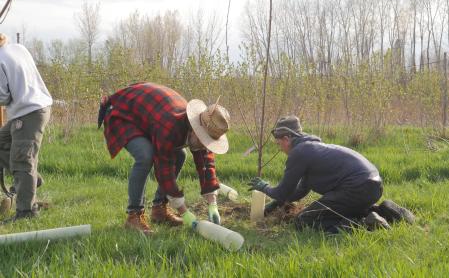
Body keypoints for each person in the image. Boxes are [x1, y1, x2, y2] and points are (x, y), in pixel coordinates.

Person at [99, 82, 230, 235]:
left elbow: (206, 163)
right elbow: (163, 170)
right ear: (195, 130)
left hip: (148, 116)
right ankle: (133, 216)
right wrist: (184, 212)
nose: (204, 144)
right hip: (123, 114)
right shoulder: (169, 125)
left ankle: (159, 210)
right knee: (145, 156)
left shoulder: (203, 125)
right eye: (203, 139)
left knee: (180, 154)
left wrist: (212, 204)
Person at [248, 116, 414, 234]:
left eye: (278, 144)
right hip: (372, 186)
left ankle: (363, 225)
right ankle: (382, 211)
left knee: (303, 221)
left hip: (356, 188)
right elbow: (301, 190)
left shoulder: (299, 152)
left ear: (286, 138)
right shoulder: (311, 148)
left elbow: (283, 191)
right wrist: (274, 205)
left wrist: (265, 188)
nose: (279, 148)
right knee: (335, 210)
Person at [0, 33, 52, 222]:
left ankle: (26, 212)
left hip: (27, 113)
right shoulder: (17, 49)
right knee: (2, 143)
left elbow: (3, 97)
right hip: (39, 108)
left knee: (23, 159)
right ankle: (31, 180)